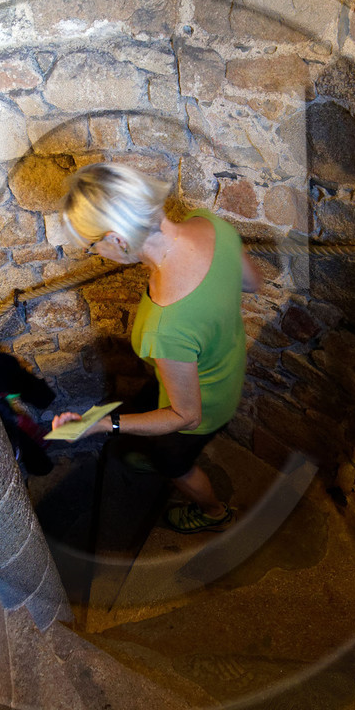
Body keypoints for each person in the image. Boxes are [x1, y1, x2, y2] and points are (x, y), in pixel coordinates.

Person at [50, 162, 260, 534]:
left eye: (92, 245)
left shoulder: (164, 324)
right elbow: (251, 282)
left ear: (117, 238)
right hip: (228, 368)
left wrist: (101, 426)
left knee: (174, 464)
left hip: (202, 411)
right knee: (154, 435)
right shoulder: (211, 225)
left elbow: (186, 416)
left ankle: (213, 513)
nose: (96, 253)